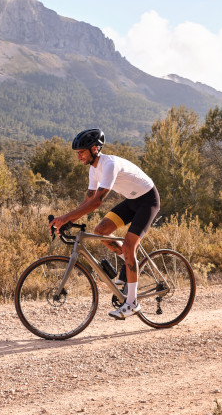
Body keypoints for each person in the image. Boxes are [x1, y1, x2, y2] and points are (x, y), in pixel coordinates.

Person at [50, 128, 160, 320]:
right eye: (77, 153)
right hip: (132, 201)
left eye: (81, 152)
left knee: (128, 246)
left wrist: (65, 218)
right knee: (101, 231)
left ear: (94, 149)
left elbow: (97, 202)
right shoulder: (94, 169)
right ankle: (128, 264)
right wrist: (68, 221)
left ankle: (132, 303)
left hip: (148, 200)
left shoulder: (109, 165)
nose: (78, 157)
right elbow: (88, 200)